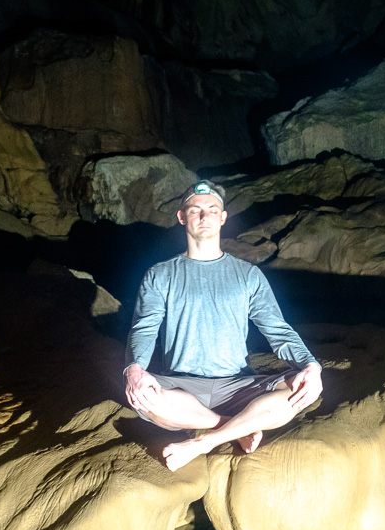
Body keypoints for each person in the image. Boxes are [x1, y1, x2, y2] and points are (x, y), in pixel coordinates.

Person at [124, 180, 323, 471]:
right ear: (182, 217)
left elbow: (276, 329)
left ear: (223, 217)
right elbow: (144, 327)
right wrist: (134, 369)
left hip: (238, 384)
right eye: (195, 210)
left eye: (212, 210)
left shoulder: (248, 275)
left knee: (302, 389)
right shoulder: (160, 274)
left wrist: (311, 366)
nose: (204, 217)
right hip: (181, 386)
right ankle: (233, 426)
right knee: (143, 398)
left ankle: (203, 441)